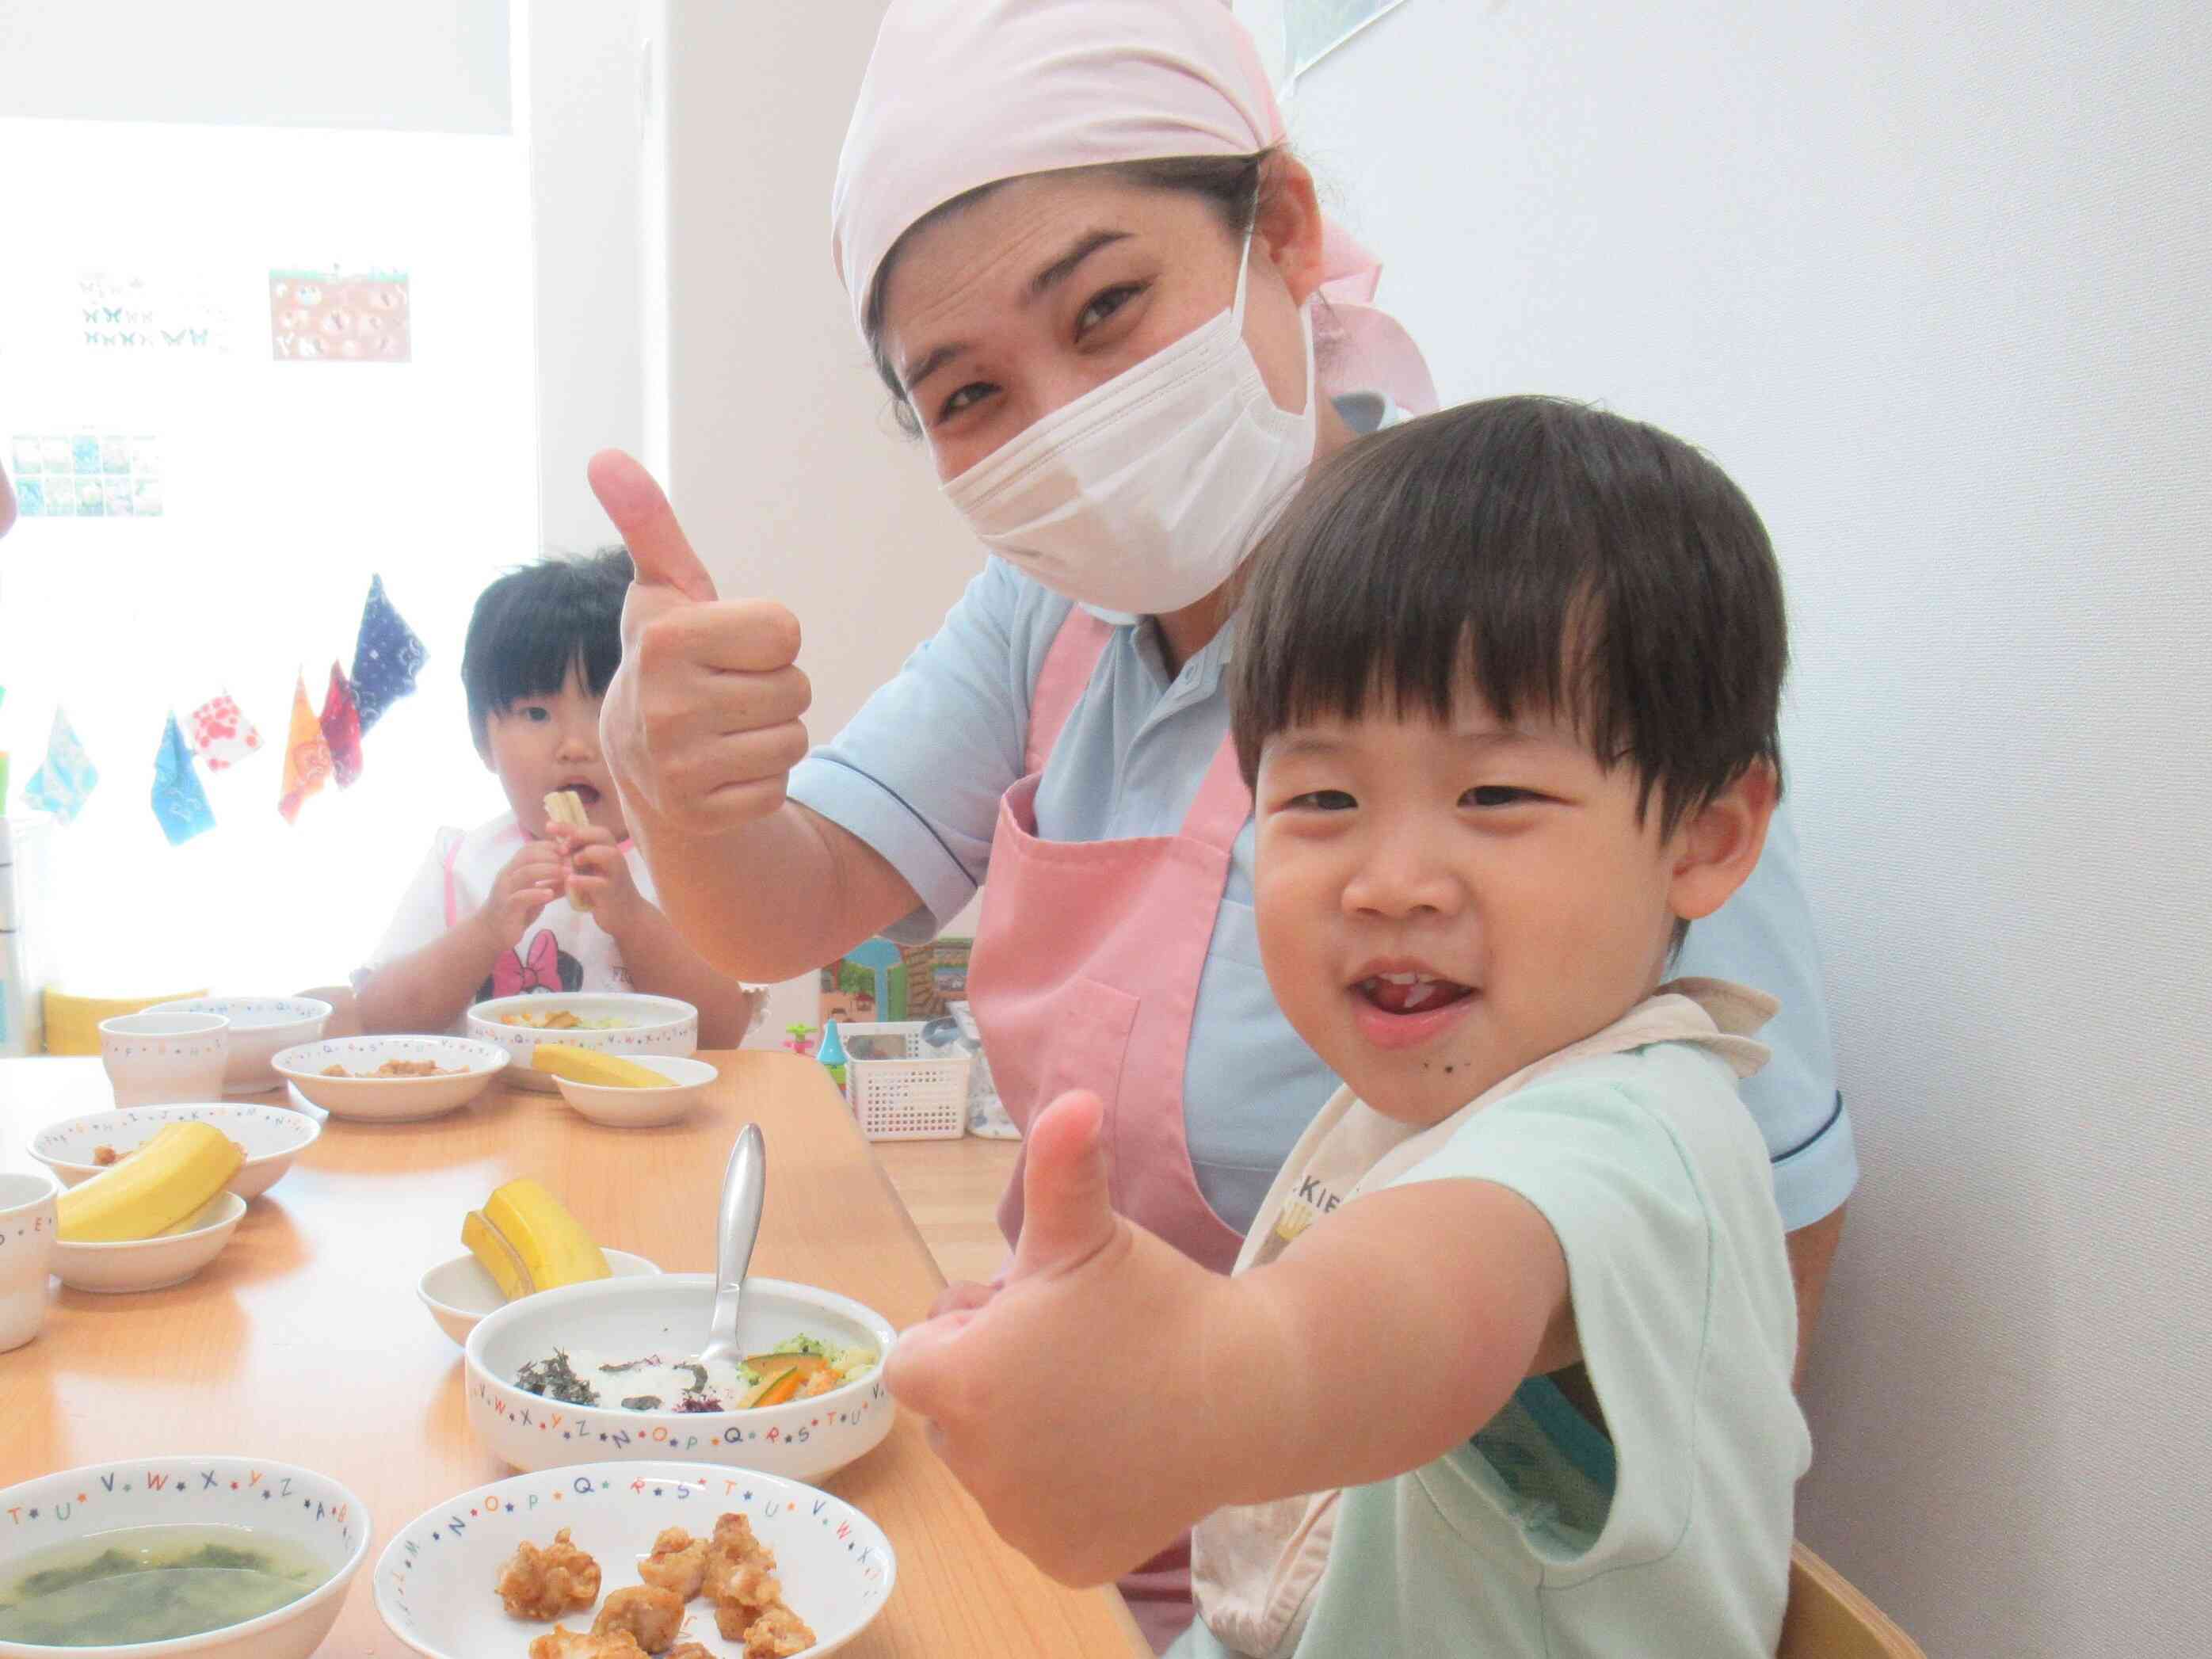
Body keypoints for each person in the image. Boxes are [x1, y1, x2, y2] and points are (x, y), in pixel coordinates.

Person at [588, 1, 1849, 1639]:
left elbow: (1436, 1305)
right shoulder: (1047, 624)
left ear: (1280, 232)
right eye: (968, 395)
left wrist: (1201, 1389)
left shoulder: (1556, 658)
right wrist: (680, 790)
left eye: (1106, 308)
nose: (1393, 879)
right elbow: (779, 907)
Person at [887, 396, 1813, 1657]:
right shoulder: (1437, 1089)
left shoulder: (1631, 1137)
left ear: (1705, 837)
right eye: (1322, 795)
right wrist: (1063, 1339)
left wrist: (1190, 1382)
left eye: (1493, 792)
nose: (1391, 879)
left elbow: (1406, 1313)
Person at [353, 549, 762, 1043]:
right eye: (536, 714)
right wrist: (486, 930)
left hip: (646, 1113)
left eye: (606, 708)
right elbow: (378, 1018)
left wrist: (633, 920)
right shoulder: (460, 863)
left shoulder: (692, 857)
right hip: (490, 1117)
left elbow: (723, 1031)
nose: (574, 746)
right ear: (483, 741)